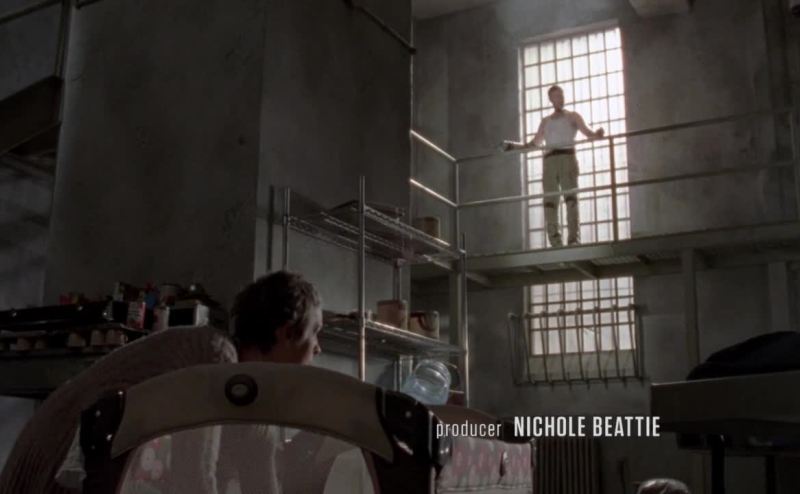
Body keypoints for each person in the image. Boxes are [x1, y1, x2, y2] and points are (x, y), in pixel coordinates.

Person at [0, 270, 323, 494]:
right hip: (55, 470)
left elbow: (261, 479)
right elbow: (192, 478)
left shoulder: (250, 400)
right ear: (286, 332)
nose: (318, 348)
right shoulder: (214, 354)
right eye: (315, 333)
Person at [503, 85, 605, 247]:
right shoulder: (546, 121)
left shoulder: (573, 116)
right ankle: (555, 242)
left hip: (567, 158)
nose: (560, 99)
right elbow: (533, 144)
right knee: (550, 202)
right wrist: (513, 146)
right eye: (557, 96)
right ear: (551, 99)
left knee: (571, 199)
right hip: (549, 161)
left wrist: (597, 135)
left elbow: (588, 133)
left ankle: (573, 239)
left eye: (562, 95)